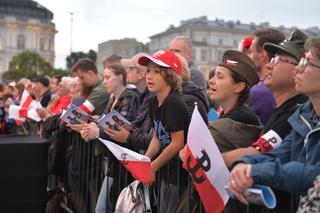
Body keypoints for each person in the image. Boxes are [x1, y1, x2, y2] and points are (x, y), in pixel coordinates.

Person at [228, 37, 320, 211]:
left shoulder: (296, 112)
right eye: (299, 61)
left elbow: (312, 175)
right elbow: (281, 154)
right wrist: (242, 164)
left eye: (307, 63)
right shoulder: (305, 116)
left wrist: (251, 171)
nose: (298, 70)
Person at [80, 63, 138, 212]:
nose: (104, 81)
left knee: (108, 207)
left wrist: (96, 131)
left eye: (107, 77)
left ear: (120, 77)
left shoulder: (129, 97)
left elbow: (122, 129)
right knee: (105, 206)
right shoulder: (113, 98)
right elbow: (105, 121)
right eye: (104, 77)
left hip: (123, 162)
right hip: (113, 160)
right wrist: (90, 125)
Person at [138, 50, 189, 213]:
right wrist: (144, 161)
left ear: (169, 76)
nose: (149, 76)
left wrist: (152, 167)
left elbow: (177, 143)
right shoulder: (154, 101)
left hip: (178, 175)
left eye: (156, 72)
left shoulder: (173, 102)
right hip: (165, 171)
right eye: (148, 71)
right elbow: (157, 137)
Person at [207, 50, 262, 153]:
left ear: (239, 87)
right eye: (214, 75)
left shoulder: (241, 119)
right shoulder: (223, 110)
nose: (211, 81)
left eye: (220, 77)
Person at [248, 28, 285, 125]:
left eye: (251, 52)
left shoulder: (260, 92)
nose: (249, 57)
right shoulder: (283, 86)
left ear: (263, 55)